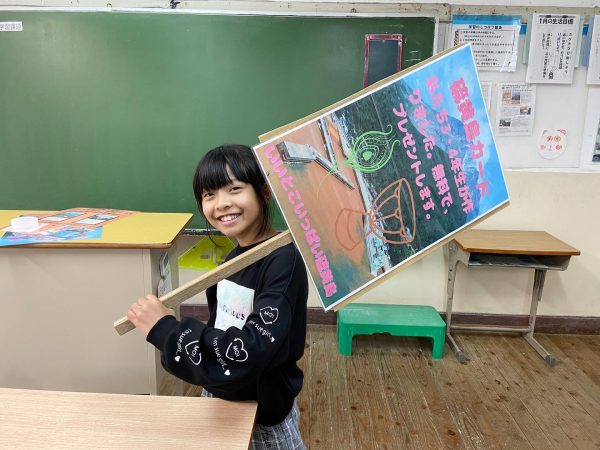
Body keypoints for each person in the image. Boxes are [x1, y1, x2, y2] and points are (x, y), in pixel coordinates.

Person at [127, 144, 309, 449]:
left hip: (263, 413)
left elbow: (251, 349)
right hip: (221, 394)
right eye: (209, 194)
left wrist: (167, 330)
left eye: (234, 189)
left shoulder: (283, 262)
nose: (221, 203)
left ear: (264, 192)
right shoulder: (234, 259)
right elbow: (222, 326)